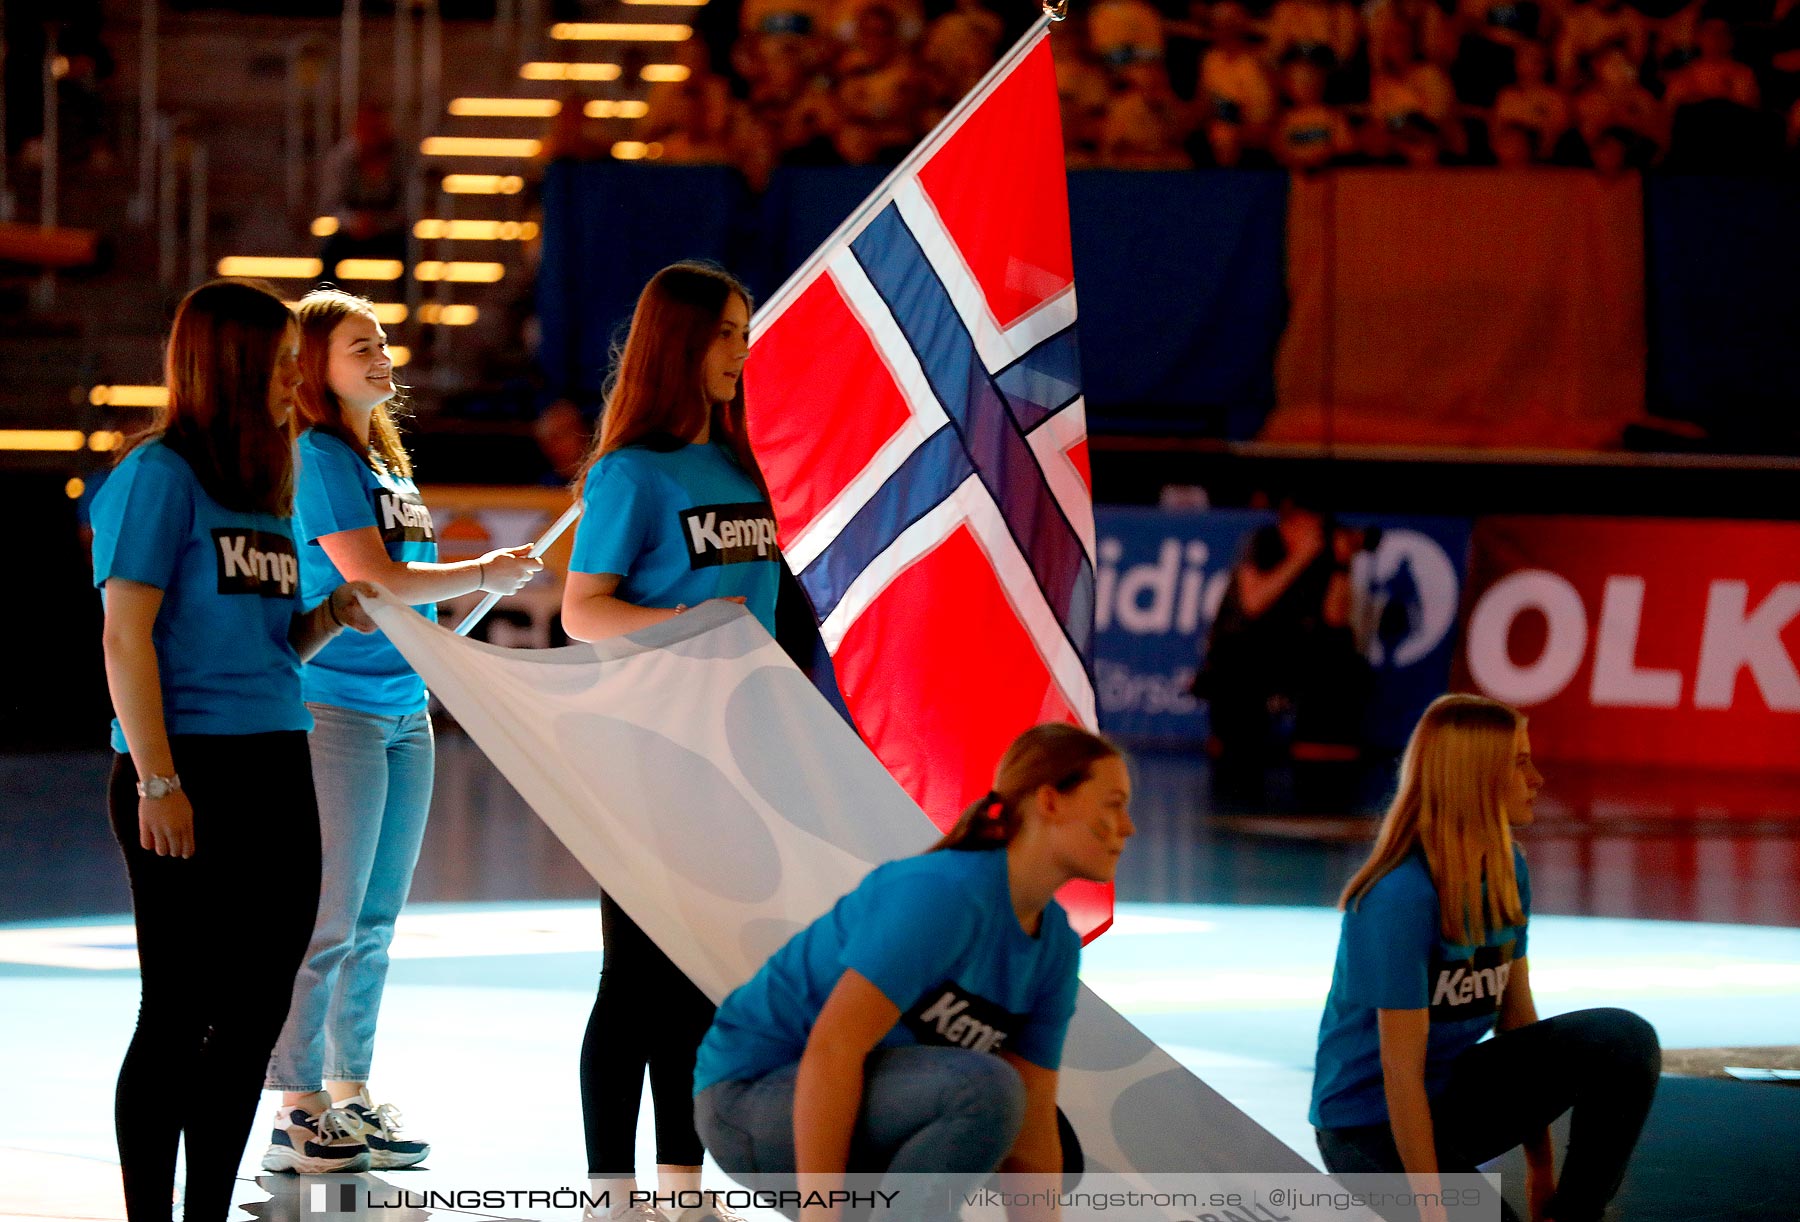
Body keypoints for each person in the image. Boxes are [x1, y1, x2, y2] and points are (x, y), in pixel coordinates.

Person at [92, 278, 380, 1221]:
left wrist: (332, 615)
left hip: (275, 761)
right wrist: (157, 779)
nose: (294, 383)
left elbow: (270, 645)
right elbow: (124, 637)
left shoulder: (267, 486)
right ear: (230, 366)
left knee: (254, 1014)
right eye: (282, 366)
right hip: (186, 771)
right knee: (177, 1012)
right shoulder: (157, 474)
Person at [260, 288, 542, 1173]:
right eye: (360, 346)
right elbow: (372, 582)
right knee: (329, 914)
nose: (383, 356)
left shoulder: (383, 463)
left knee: (376, 917)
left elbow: (405, 606)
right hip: (331, 706)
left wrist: (482, 593)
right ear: (314, 366)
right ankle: (297, 1105)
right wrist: (483, 568)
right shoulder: (316, 456)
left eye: (382, 342)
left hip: (401, 708)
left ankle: (351, 1090)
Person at [693, 723, 1133, 1220]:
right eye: (1113, 803)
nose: (1129, 826)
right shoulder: (941, 896)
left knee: (1044, 1139)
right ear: (1050, 802)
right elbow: (832, 1052)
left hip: (855, 1096)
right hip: (751, 1101)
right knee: (984, 1093)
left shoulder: (1054, 946)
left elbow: (1034, 1132)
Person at [560, 262, 778, 1222]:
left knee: (701, 972)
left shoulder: (745, 462)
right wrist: (689, 625)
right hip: (649, 750)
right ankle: (614, 1191)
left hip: (744, 750)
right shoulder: (629, 472)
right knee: (633, 980)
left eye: (744, 330)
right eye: (727, 332)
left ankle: (683, 1186)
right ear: (680, 341)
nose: (741, 348)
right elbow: (581, 612)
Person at [1310, 695, 1660, 1222]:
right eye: (1520, 763)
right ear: (1475, 777)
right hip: (1370, 1123)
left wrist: (1541, 1174)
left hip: (1451, 1095)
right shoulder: (1399, 896)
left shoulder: (1505, 869)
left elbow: (1519, 1027)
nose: (1537, 778)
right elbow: (1399, 1073)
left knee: (1623, 1039)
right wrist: (1433, 1212)